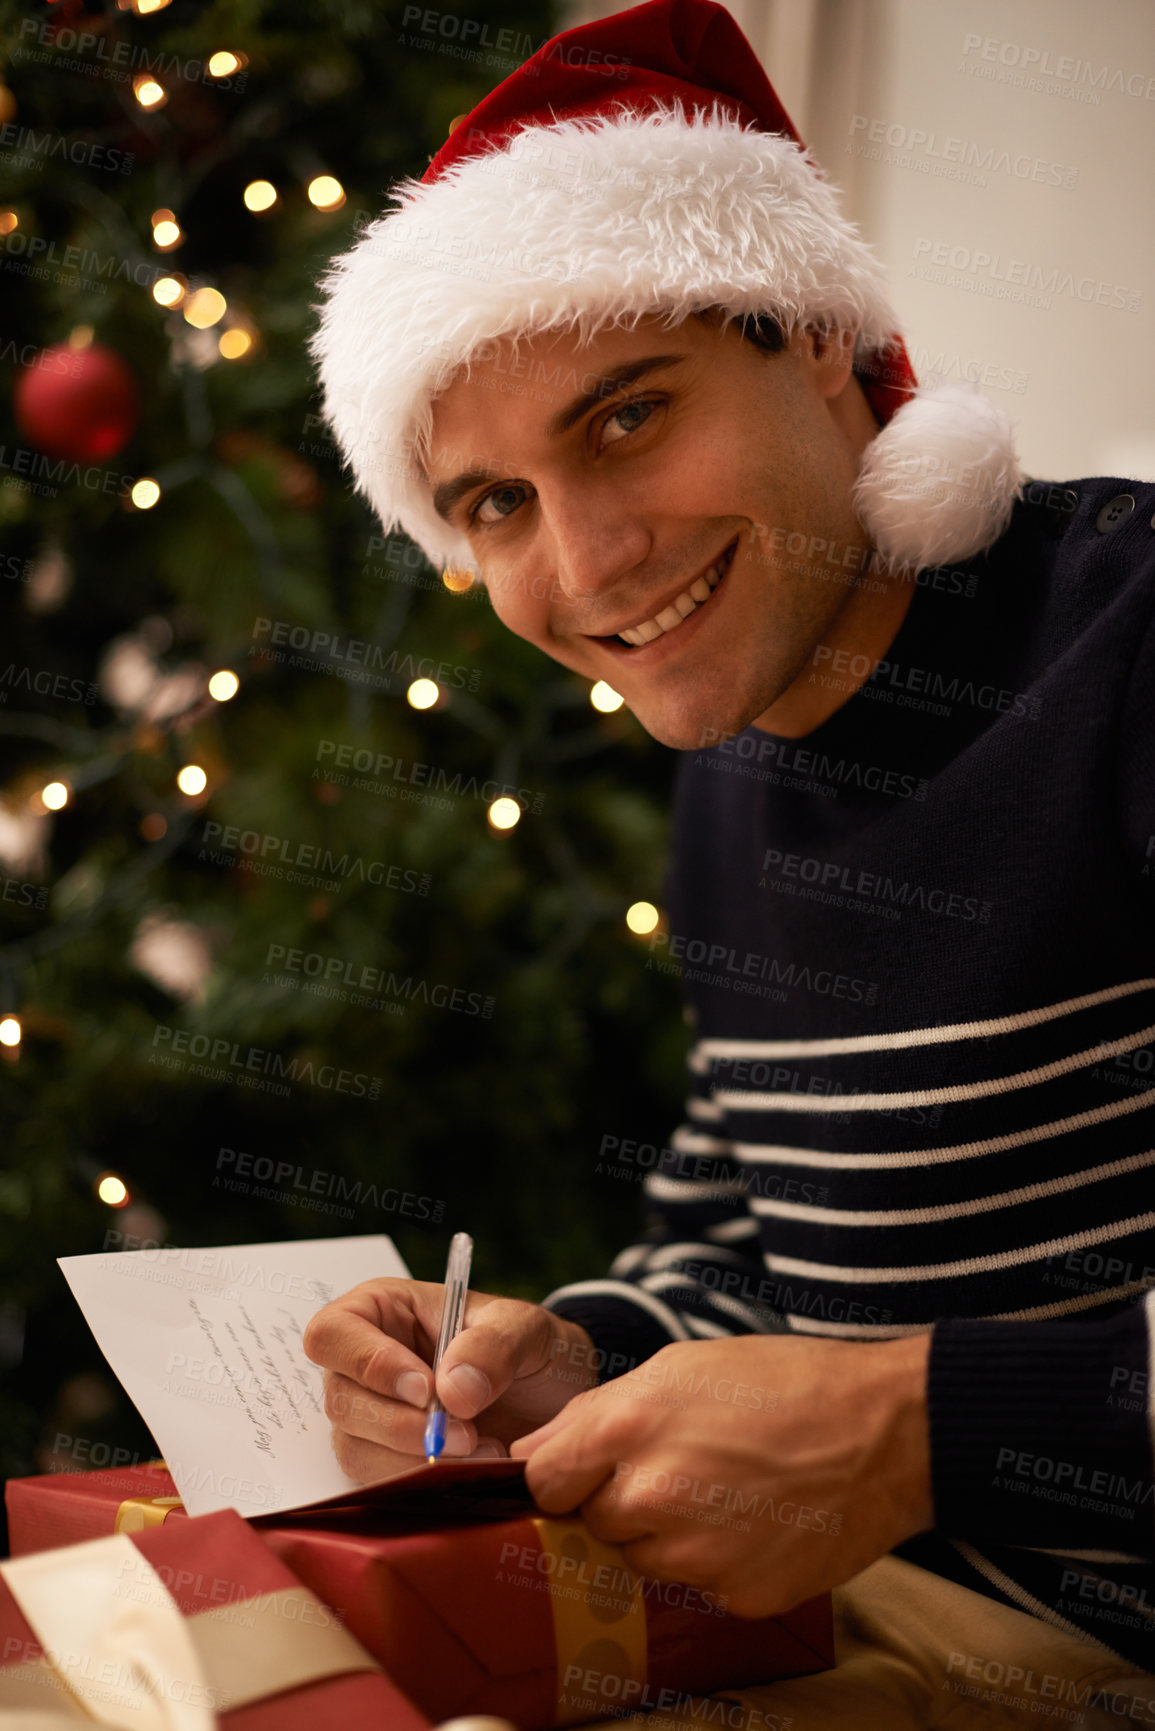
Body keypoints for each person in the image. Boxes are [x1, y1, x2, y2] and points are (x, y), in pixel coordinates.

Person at [302, 0, 1155, 1719]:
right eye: (495, 504)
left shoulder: (1130, 638)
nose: (592, 564)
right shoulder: (728, 767)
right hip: (887, 1620)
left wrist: (925, 1426)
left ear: (825, 344)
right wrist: (576, 1353)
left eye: (626, 418)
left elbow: (895, 1378)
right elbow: (767, 1241)